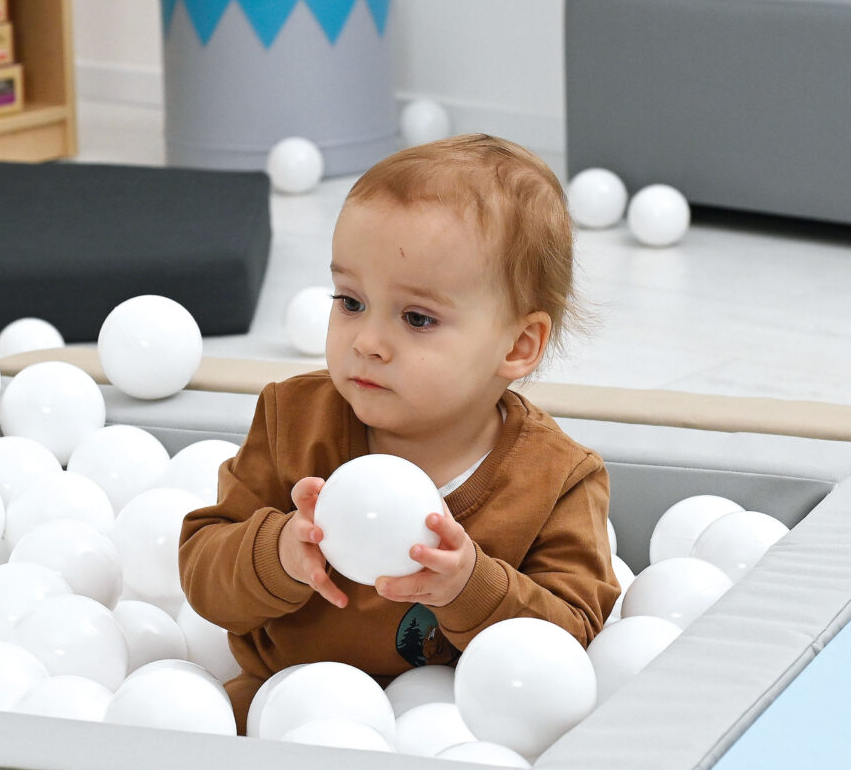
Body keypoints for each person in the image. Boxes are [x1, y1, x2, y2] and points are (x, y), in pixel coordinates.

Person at [179, 134, 621, 727]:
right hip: (287, 700)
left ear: (518, 345)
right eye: (350, 301)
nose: (367, 342)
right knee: (203, 730)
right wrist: (278, 552)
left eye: (417, 318)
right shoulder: (294, 419)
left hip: (464, 722)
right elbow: (203, 573)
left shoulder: (557, 479)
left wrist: (469, 587)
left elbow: (572, 640)